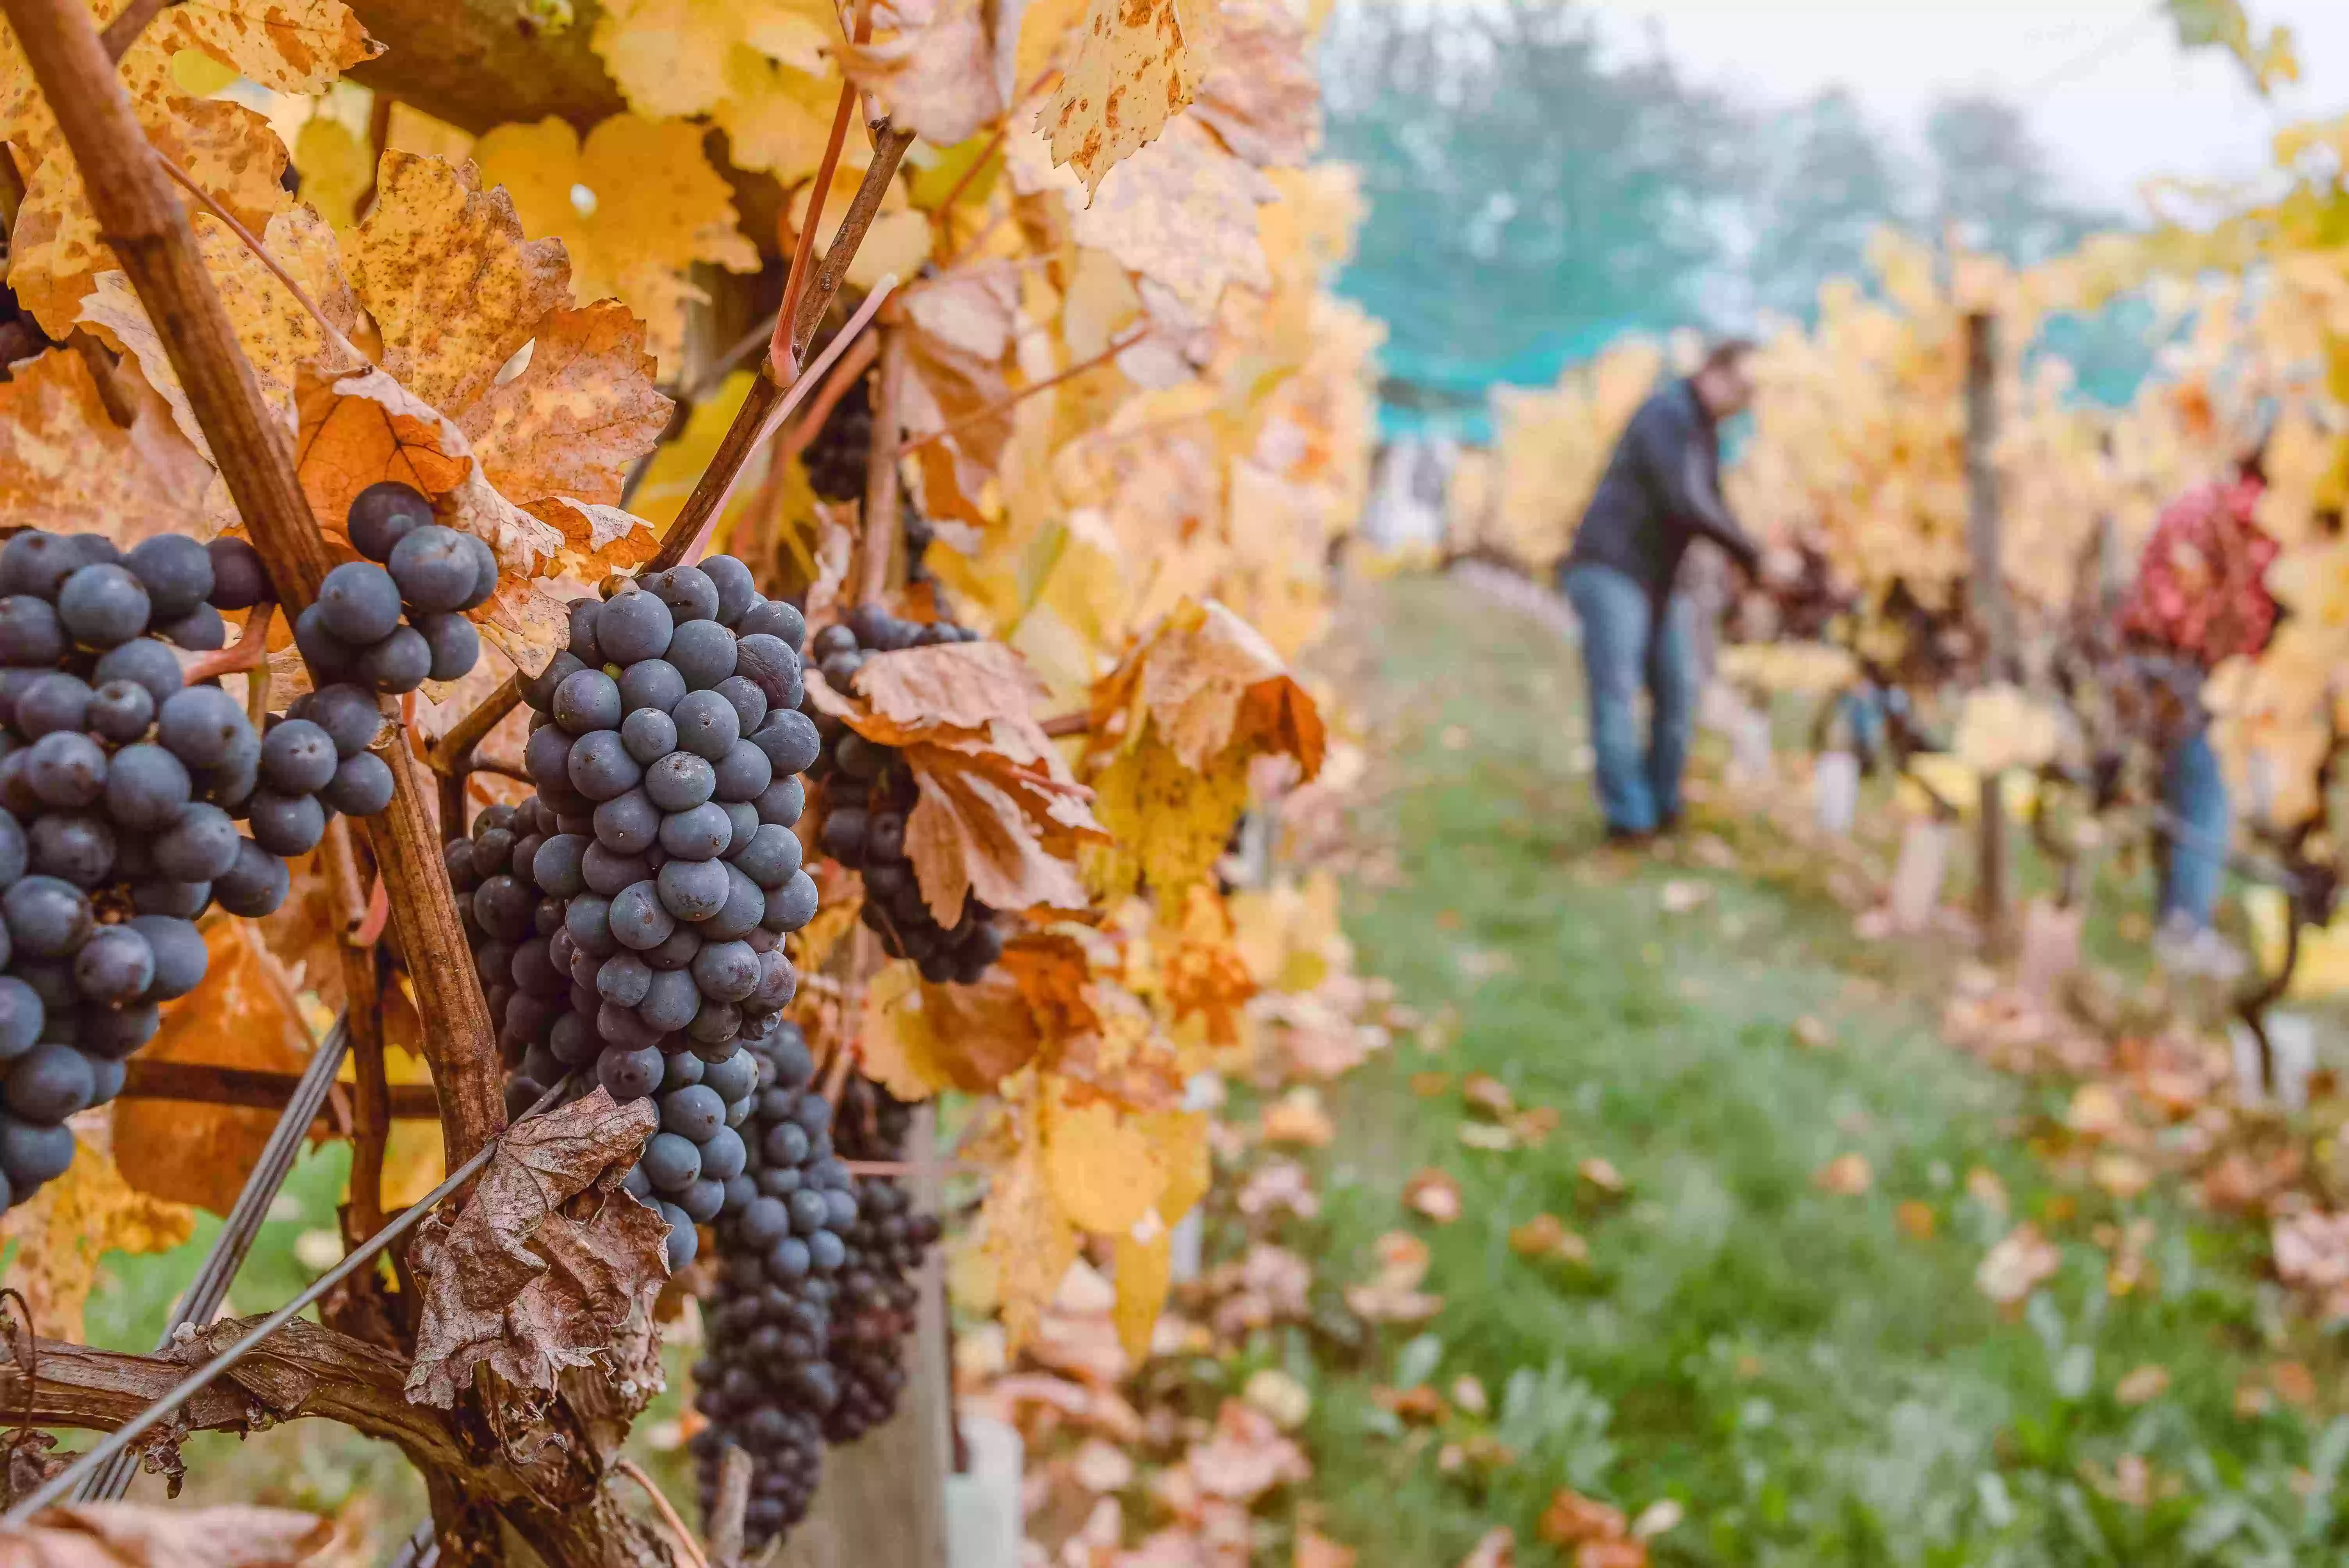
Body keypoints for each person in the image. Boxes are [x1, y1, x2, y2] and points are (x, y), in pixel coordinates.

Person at [1558, 340, 1769, 842]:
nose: (1743, 400)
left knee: (1678, 690)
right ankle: (1631, 820)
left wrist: (1751, 562)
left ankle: (1662, 804)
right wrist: (1753, 554)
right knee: (1618, 690)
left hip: (1659, 577)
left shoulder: (1706, 432)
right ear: (1713, 372)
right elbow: (1687, 501)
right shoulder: (1667, 413)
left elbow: (1712, 505)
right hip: (1612, 566)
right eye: (1739, 387)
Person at [2116, 448, 2278, 975]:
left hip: (2151, 658)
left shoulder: (2201, 499)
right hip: (2196, 670)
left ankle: (2175, 915)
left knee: (2180, 790)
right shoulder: (2264, 517)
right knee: (2206, 796)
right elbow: (2243, 613)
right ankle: (2185, 926)